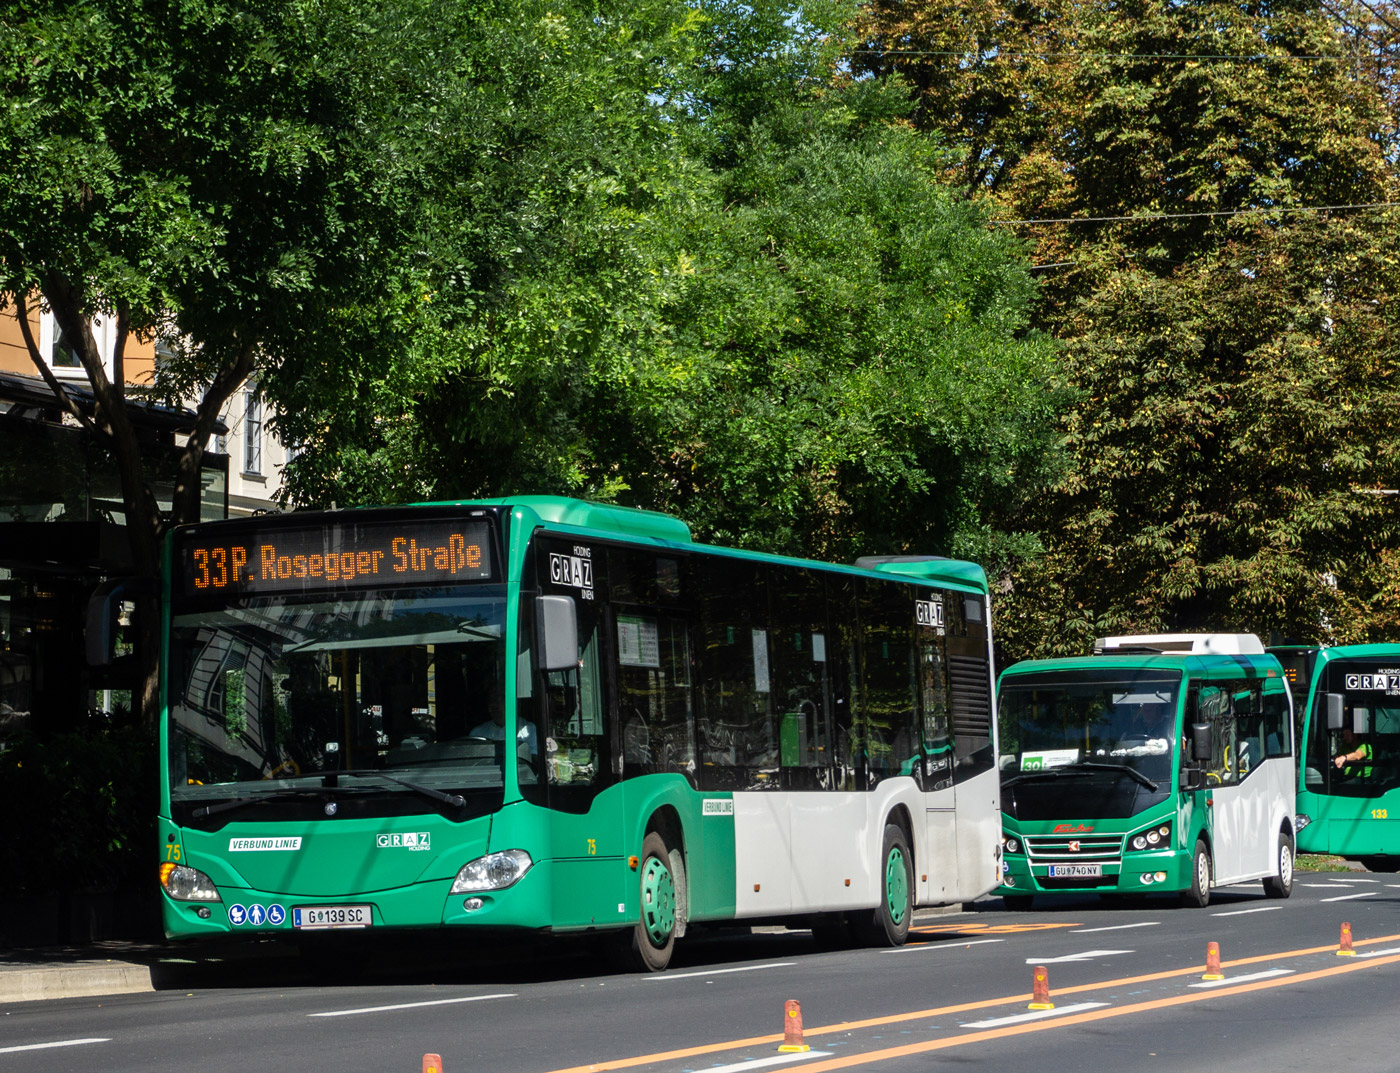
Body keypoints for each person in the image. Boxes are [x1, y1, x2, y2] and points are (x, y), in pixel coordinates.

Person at [470, 692, 538, 758]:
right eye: (492, 700)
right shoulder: (477, 733)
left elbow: (533, 758)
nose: (494, 705)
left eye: (500, 699)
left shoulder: (529, 730)